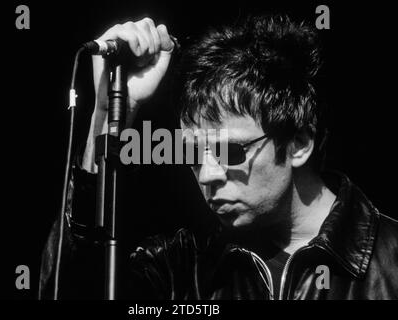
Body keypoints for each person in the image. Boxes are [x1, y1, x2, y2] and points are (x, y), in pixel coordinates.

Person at [39, 15, 398, 300]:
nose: (208, 174)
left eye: (232, 151)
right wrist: (109, 109)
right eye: (194, 154)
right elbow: (73, 289)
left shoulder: (391, 263)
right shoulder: (184, 270)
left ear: (300, 143)